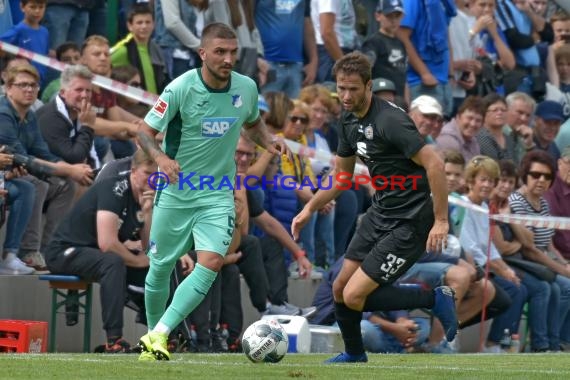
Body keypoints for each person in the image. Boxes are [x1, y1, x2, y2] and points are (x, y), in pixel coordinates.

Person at [135, 23, 288, 361]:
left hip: (218, 192)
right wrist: (160, 158)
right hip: (177, 192)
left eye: (233, 52)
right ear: (202, 53)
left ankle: (160, 332)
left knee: (212, 261)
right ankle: (152, 336)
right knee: (160, 268)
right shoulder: (180, 89)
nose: (228, 58)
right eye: (220, 52)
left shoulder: (246, 88)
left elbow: (251, 122)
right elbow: (144, 132)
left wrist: (268, 142)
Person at [291, 52, 457, 364]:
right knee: (340, 287)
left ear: (369, 86)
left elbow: (434, 162)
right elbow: (341, 177)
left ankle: (434, 298)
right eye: (341, 88)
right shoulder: (348, 119)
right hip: (380, 213)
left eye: (353, 88)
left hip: (410, 221)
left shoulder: (389, 120)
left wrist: (440, 220)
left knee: (354, 295)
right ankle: (355, 354)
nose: (346, 95)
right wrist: (309, 208)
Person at [44, 149, 155, 353]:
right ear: (133, 170)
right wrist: (139, 261)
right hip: (64, 251)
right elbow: (107, 243)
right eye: (147, 173)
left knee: (158, 265)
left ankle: (160, 335)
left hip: (92, 254)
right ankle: (114, 340)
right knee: (113, 262)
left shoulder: (144, 196)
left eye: (155, 174)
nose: (152, 179)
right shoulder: (115, 188)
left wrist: (148, 213)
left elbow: (149, 248)